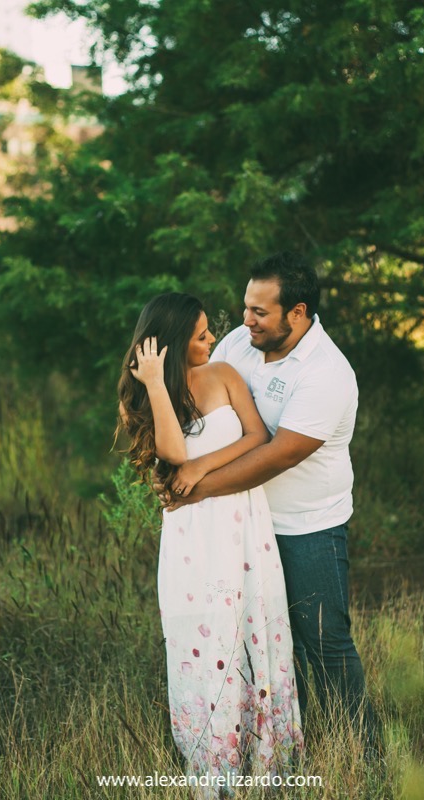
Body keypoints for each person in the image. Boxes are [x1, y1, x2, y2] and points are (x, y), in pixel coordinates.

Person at [171, 252, 378, 752]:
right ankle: (281, 744)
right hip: (241, 524)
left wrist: (196, 486)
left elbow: (277, 455)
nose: (245, 320)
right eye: (246, 306)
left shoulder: (327, 373)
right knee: (261, 642)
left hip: (306, 527)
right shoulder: (241, 343)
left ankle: (366, 755)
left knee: (324, 643)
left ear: (298, 313)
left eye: (260, 312)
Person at [116, 292, 302, 793]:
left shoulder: (223, 375)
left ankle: (268, 765)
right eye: (201, 336)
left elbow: (257, 436)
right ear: (175, 344)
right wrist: (155, 382)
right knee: (205, 641)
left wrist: (201, 466)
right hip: (192, 535)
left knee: (251, 628)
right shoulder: (155, 393)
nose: (212, 340)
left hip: (242, 520)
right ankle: (215, 769)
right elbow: (172, 451)